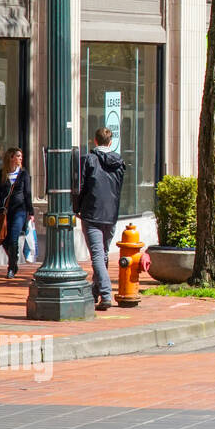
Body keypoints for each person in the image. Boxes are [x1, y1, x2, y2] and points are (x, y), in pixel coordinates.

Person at [75, 127, 126, 311]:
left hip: (92, 213)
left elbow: (80, 186)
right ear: (110, 142)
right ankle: (95, 292)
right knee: (102, 253)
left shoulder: (89, 159)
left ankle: (105, 293)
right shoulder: (119, 162)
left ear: (95, 141)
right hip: (110, 214)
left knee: (97, 255)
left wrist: (76, 207)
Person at [0, 147, 33, 279]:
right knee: (3, 239)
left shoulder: (24, 174)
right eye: (18, 156)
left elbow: (28, 194)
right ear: (11, 157)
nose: (20, 158)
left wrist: (31, 213)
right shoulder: (1, 174)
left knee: (13, 238)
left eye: (21, 156)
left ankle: (11, 268)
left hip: (20, 211)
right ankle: (14, 259)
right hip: (6, 212)